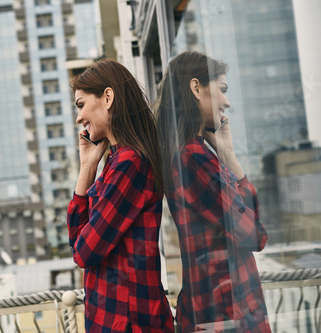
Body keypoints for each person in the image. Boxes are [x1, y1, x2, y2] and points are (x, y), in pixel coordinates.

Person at [155, 51, 271, 333]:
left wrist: (228, 156)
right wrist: (233, 166)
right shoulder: (193, 159)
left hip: (216, 311)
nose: (227, 102)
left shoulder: (192, 154)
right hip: (227, 314)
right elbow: (255, 235)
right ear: (196, 88)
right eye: (222, 90)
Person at [67, 59, 175, 333]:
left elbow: (83, 252)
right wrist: (88, 167)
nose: (78, 118)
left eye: (81, 105)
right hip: (119, 320)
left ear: (107, 97)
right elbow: (79, 241)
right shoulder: (116, 162)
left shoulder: (129, 163)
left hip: (127, 322)